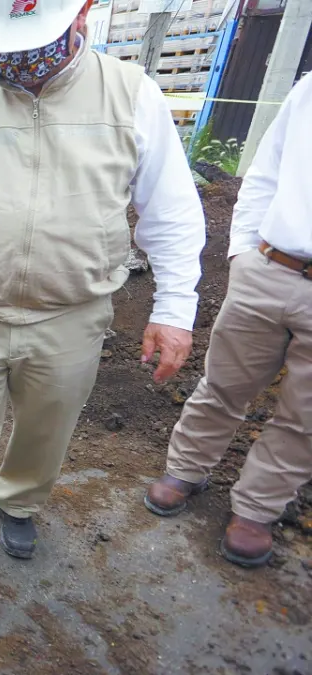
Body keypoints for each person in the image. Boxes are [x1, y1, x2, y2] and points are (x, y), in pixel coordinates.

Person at [0, 0, 206, 605]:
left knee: (46, 427)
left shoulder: (131, 96)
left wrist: (174, 309)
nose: (19, 65)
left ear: (80, 18)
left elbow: (172, 213)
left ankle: (20, 500)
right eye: (6, 52)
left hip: (71, 315)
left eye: (32, 48)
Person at [144, 75, 312, 569]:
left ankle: (256, 509)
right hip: (270, 267)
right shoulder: (308, 90)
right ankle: (185, 471)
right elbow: (266, 171)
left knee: (304, 417)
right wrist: (242, 253)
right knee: (222, 385)